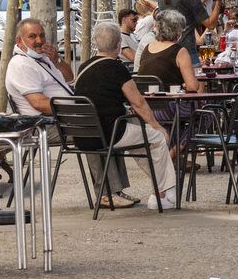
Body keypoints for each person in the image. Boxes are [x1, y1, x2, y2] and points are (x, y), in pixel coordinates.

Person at [73, 22, 178, 210]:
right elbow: (137, 102)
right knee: (156, 138)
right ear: (119, 44)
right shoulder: (116, 68)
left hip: (84, 134)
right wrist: (157, 126)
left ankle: (160, 191)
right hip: (110, 133)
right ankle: (166, 193)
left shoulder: (84, 67)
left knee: (142, 140)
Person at [157, 0, 221, 67]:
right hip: (187, 51)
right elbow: (210, 24)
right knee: (195, 83)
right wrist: (219, 1)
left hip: (165, 51)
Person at [137, 9, 200, 92]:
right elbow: (193, 87)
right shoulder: (179, 51)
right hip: (171, 101)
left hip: (146, 100)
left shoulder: (147, 48)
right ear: (177, 31)